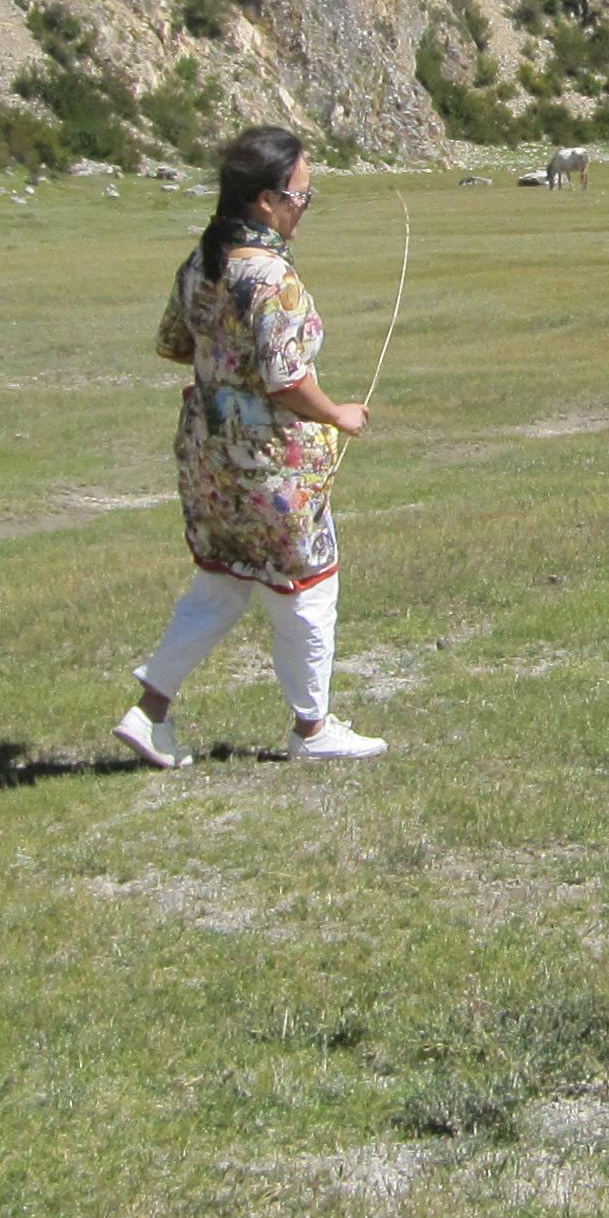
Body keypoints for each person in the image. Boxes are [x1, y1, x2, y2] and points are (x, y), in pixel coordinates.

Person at [118, 126, 385, 765]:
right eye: (300, 196)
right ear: (266, 201)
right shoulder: (272, 278)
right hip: (272, 467)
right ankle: (312, 730)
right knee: (308, 586)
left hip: (209, 457)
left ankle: (149, 712)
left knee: (220, 583)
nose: (304, 207)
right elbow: (286, 379)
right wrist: (339, 415)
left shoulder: (203, 261)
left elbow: (174, 344)